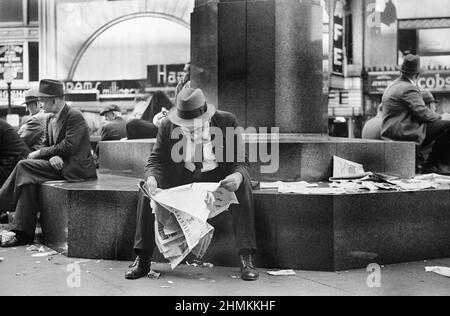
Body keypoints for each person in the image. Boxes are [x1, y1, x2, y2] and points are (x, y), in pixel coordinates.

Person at [125, 88, 259, 281]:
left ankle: (246, 257)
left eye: (195, 127)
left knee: (243, 186)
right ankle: (142, 258)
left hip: (216, 181)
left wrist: (237, 177)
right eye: (186, 127)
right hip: (182, 180)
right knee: (147, 189)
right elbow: (155, 161)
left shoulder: (226, 122)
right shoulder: (166, 125)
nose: (191, 132)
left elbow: (241, 161)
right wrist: (152, 179)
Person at [0, 79, 97, 247]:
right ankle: (22, 233)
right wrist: (50, 155)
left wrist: (43, 153)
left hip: (76, 169)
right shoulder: (50, 118)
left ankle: (2, 202)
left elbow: (70, 145)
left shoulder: (74, 115)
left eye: (43, 101)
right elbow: (46, 145)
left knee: (24, 165)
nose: (41, 104)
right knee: (29, 183)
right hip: (59, 164)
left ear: (54, 100)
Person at [381, 54, 450, 174]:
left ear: (402, 71)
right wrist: (442, 116)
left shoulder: (392, 85)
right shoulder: (408, 88)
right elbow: (423, 114)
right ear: (417, 74)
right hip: (404, 133)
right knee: (448, 124)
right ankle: (434, 165)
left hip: (391, 133)